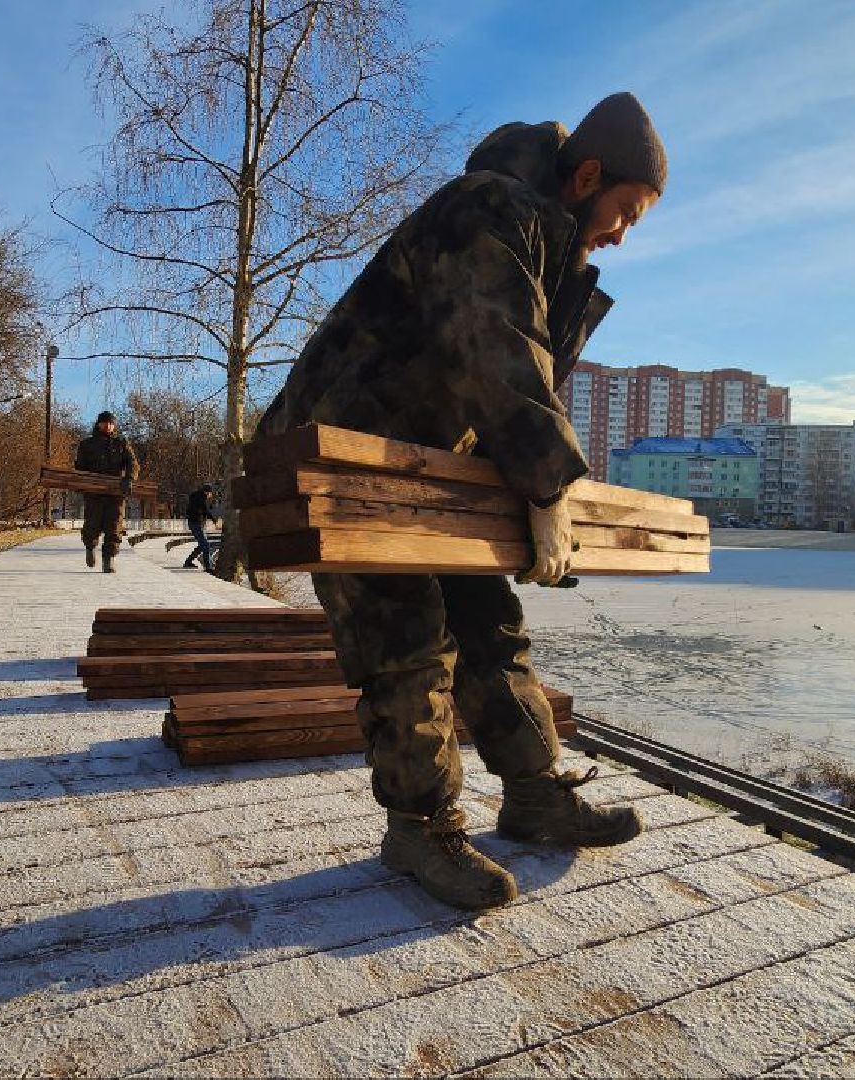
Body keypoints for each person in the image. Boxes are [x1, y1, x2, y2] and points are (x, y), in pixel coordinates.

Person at [253, 92, 667, 910]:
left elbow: (518, 369)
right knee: (403, 643)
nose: (622, 234)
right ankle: (420, 827)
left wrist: (525, 478)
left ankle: (533, 796)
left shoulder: (549, 246)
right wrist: (549, 480)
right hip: (346, 453)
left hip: (437, 469)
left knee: (490, 629)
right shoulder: (489, 209)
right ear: (586, 176)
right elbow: (492, 347)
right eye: (624, 210)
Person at [73, 410, 138, 572]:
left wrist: (129, 478)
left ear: (114, 425)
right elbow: (80, 467)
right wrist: (84, 483)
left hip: (116, 493)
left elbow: (133, 463)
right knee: (92, 525)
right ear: (98, 424)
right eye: (105, 423)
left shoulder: (121, 443)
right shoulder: (87, 444)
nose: (108, 426)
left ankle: (108, 559)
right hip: (94, 493)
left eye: (111, 423)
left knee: (114, 526)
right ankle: (90, 548)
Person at [182, 483, 218, 571]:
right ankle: (208, 567)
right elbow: (205, 510)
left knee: (202, 545)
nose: (210, 495)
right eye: (210, 493)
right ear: (207, 492)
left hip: (195, 523)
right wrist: (214, 520)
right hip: (196, 524)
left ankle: (188, 562)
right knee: (205, 545)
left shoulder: (197, 497)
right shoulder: (201, 498)